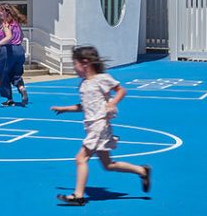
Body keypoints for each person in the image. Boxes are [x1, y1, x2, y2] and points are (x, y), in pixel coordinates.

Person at [50, 45, 151, 206]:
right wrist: (65, 109)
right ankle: (142, 171)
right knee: (108, 165)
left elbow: (121, 90)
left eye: (74, 64)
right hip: (93, 126)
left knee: (80, 158)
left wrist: (112, 103)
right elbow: (85, 106)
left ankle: (79, 195)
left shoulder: (101, 79)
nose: (74, 68)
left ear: (85, 63)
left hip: (100, 125)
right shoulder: (83, 84)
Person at [0, 3, 29, 106]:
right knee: (16, 74)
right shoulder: (16, 24)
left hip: (8, 51)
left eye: (0, 10)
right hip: (19, 50)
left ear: (6, 12)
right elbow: (21, 36)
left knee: (4, 74)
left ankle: (9, 99)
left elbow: (9, 37)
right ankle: (21, 88)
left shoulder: (6, 24)